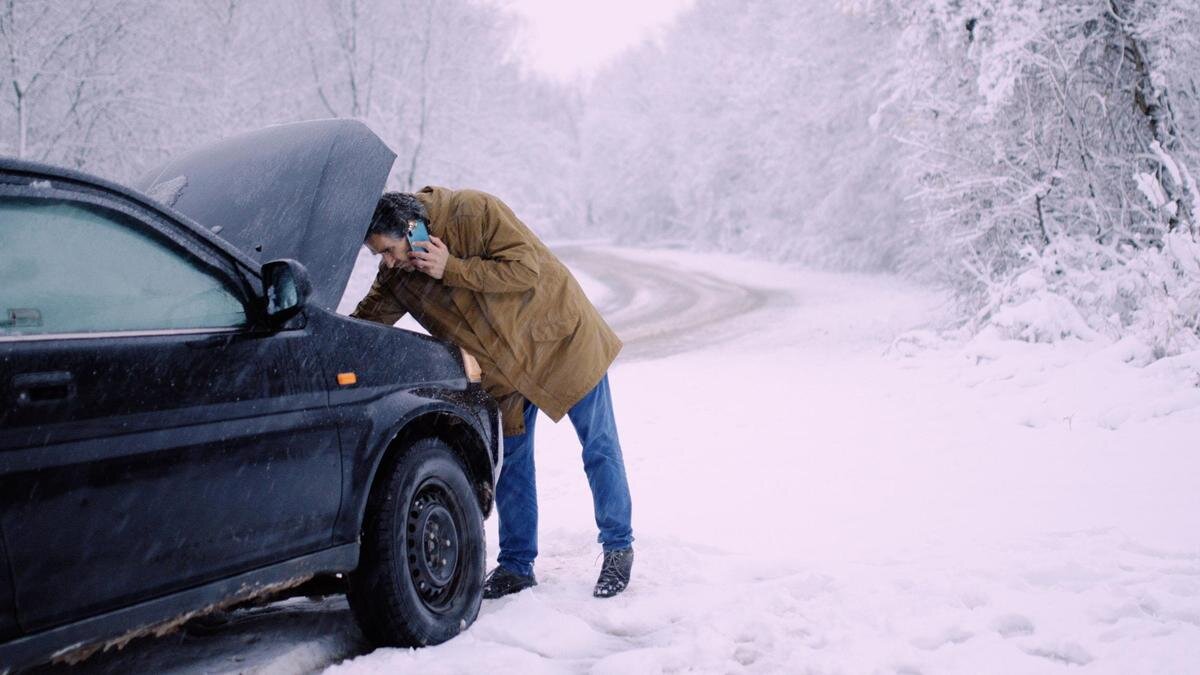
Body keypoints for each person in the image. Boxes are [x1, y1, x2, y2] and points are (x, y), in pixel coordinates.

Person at [351, 188, 635, 599]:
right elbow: (365, 323)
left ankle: (618, 548)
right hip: (501, 374)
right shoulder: (398, 276)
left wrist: (452, 268)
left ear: (412, 230)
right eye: (380, 256)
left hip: (559, 341)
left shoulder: (473, 211)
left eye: (390, 250)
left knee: (599, 446)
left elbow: (526, 269)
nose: (389, 262)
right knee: (511, 467)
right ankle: (517, 566)